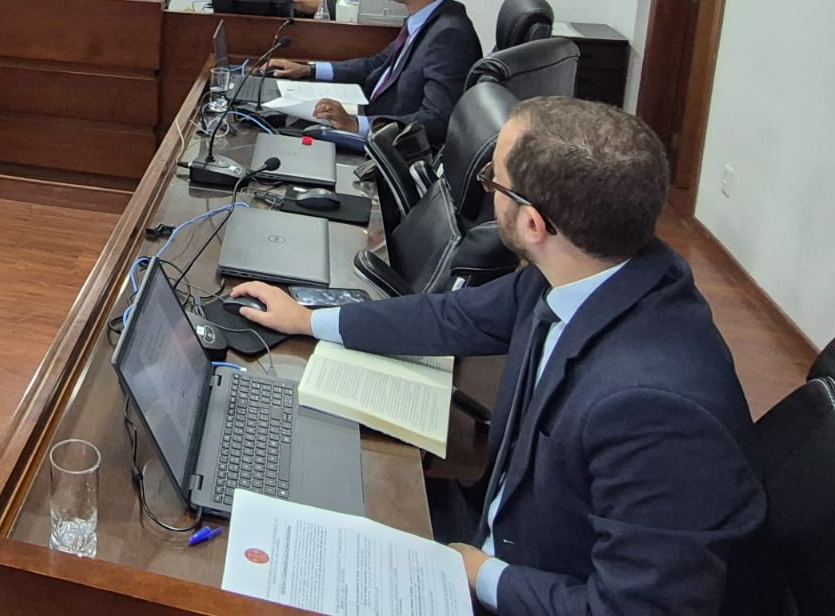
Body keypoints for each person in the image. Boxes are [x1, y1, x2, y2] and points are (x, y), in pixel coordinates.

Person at [231, 97, 766, 616]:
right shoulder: (589, 269)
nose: (487, 191)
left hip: (520, 579)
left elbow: (631, 607)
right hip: (496, 530)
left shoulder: (658, 410)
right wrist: (308, 319)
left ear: (533, 224)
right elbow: (453, 318)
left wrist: (480, 574)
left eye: (493, 181)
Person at [268, 0, 480, 144]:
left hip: (391, 146)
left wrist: (357, 124)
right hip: (368, 117)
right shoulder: (423, 19)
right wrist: (309, 69)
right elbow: (376, 64)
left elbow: (437, 121)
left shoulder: (450, 34)